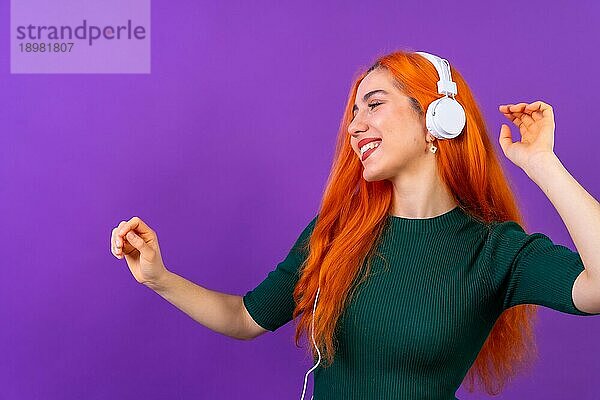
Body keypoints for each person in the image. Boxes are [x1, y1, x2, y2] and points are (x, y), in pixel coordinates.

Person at [110, 49, 600, 399]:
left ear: (438, 117)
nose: (354, 124)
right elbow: (243, 319)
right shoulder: (336, 232)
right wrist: (159, 277)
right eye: (353, 111)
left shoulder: (496, 252)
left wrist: (542, 163)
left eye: (374, 104)